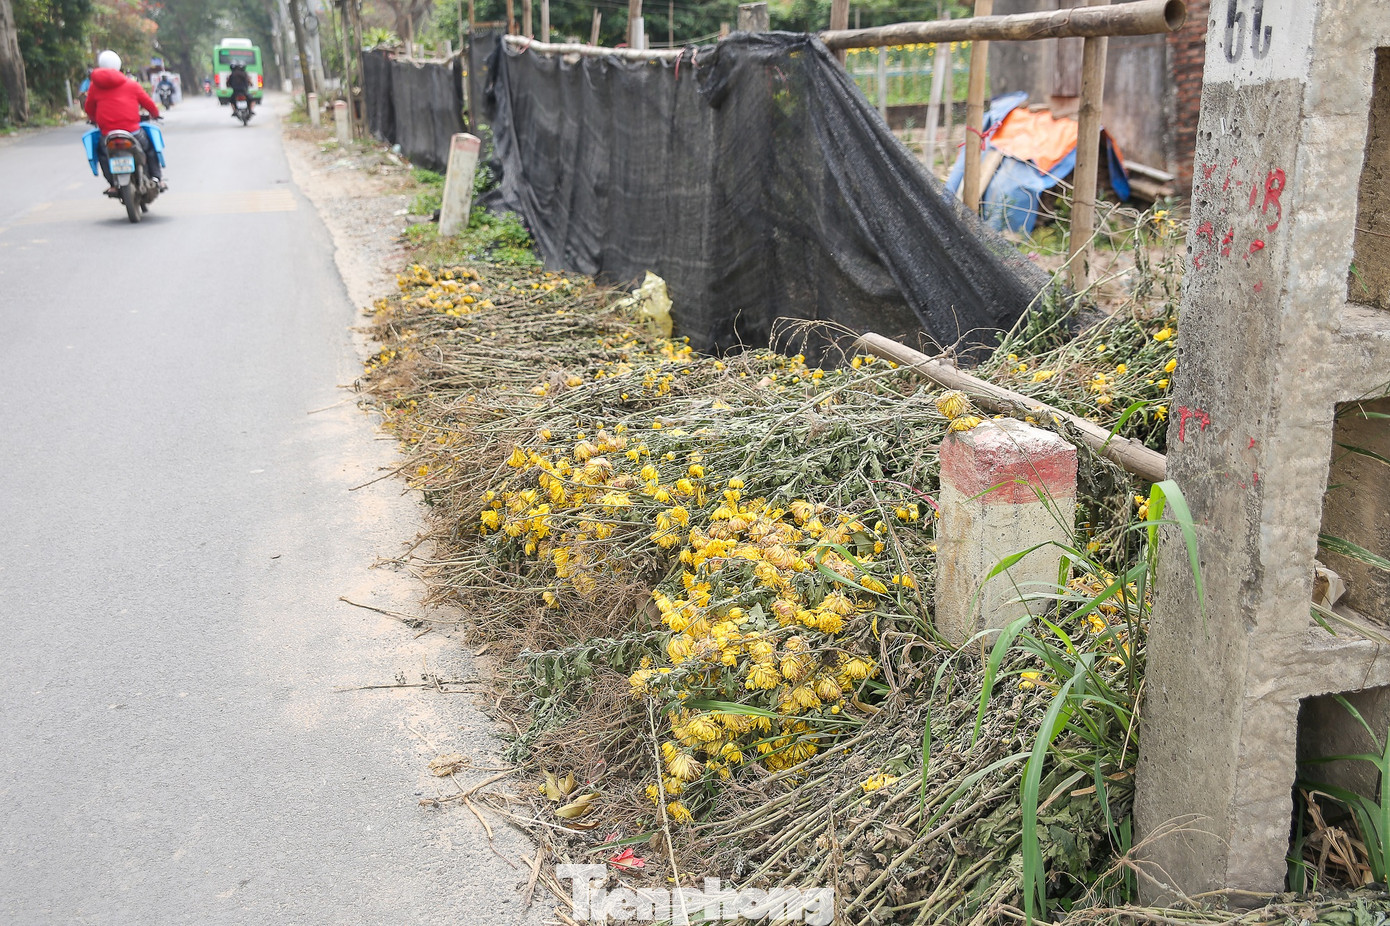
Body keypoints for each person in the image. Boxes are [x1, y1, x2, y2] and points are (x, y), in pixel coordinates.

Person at [84, 50, 165, 192]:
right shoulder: (131, 84)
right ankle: (156, 178)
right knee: (149, 149)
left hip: (108, 135)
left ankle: (113, 185)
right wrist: (155, 114)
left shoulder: (94, 87)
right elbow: (148, 103)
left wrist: (93, 119)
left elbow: (89, 108)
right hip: (133, 132)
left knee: (103, 154)